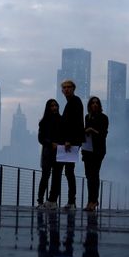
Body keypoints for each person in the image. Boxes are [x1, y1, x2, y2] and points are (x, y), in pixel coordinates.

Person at [45, 80, 84, 211]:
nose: (66, 89)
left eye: (69, 87)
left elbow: (75, 123)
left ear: (74, 88)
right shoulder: (71, 103)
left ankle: (61, 201)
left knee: (65, 172)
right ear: (62, 90)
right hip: (69, 143)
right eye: (64, 88)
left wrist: (68, 140)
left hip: (70, 143)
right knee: (64, 172)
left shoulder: (75, 102)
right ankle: (58, 200)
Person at [81, 96, 108, 212]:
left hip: (98, 150)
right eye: (93, 103)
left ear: (100, 105)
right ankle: (90, 200)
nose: (95, 105)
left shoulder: (103, 118)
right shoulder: (87, 117)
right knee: (88, 176)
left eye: (97, 103)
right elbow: (84, 131)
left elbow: (103, 134)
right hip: (87, 150)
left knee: (94, 175)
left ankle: (94, 200)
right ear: (89, 105)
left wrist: (92, 130)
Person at [36, 99, 60, 209]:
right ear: (48, 107)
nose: (54, 107)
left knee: (56, 177)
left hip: (59, 152)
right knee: (45, 176)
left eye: (55, 105)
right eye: (52, 106)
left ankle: (53, 200)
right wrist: (51, 144)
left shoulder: (61, 120)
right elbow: (40, 139)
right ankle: (40, 201)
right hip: (48, 152)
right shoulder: (44, 122)